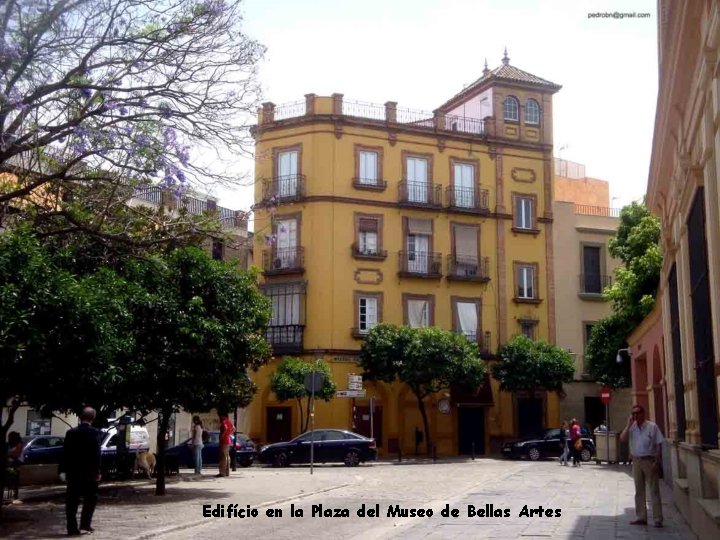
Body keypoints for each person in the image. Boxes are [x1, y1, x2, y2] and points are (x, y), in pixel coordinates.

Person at [60, 406, 102, 537]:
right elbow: (97, 454)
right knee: (90, 499)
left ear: (80, 417)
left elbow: (65, 454)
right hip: (90, 473)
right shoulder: (95, 433)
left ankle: (71, 528)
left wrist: (62, 471)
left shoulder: (71, 433)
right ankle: (85, 524)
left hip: (73, 473)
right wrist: (98, 471)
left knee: (72, 501)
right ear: (93, 418)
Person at [620, 404, 664, 528]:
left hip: (649, 460)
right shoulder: (632, 428)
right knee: (639, 490)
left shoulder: (652, 427)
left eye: (637, 413)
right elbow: (622, 439)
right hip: (636, 461)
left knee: (654, 489)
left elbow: (659, 444)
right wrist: (628, 425)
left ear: (643, 414)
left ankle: (657, 519)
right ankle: (641, 517)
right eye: (633, 413)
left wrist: (657, 461)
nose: (635, 415)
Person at [217, 412, 234, 478]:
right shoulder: (229, 421)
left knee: (223, 457)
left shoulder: (224, 421)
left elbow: (225, 428)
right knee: (227, 456)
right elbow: (233, 428)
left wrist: (222, 435)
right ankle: (227, 472)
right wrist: (229, 434)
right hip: (228, 440)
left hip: (224, 441)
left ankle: (222, 472)